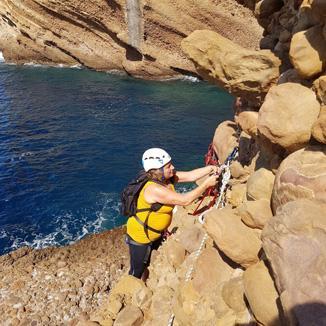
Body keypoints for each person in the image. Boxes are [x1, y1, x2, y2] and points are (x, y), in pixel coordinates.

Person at [126, 147, 219, 280]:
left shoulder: (166, 179)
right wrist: (205, 185)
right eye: (168, 166)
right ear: (158, 170)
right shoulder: (153, 189)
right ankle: (132, 292)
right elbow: (185, 200)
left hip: (155, 233)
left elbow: (191, 175)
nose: (173, 167)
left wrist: (210, 168)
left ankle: (146, 281)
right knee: (137, 270)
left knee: (149, 263)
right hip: (140, 236)